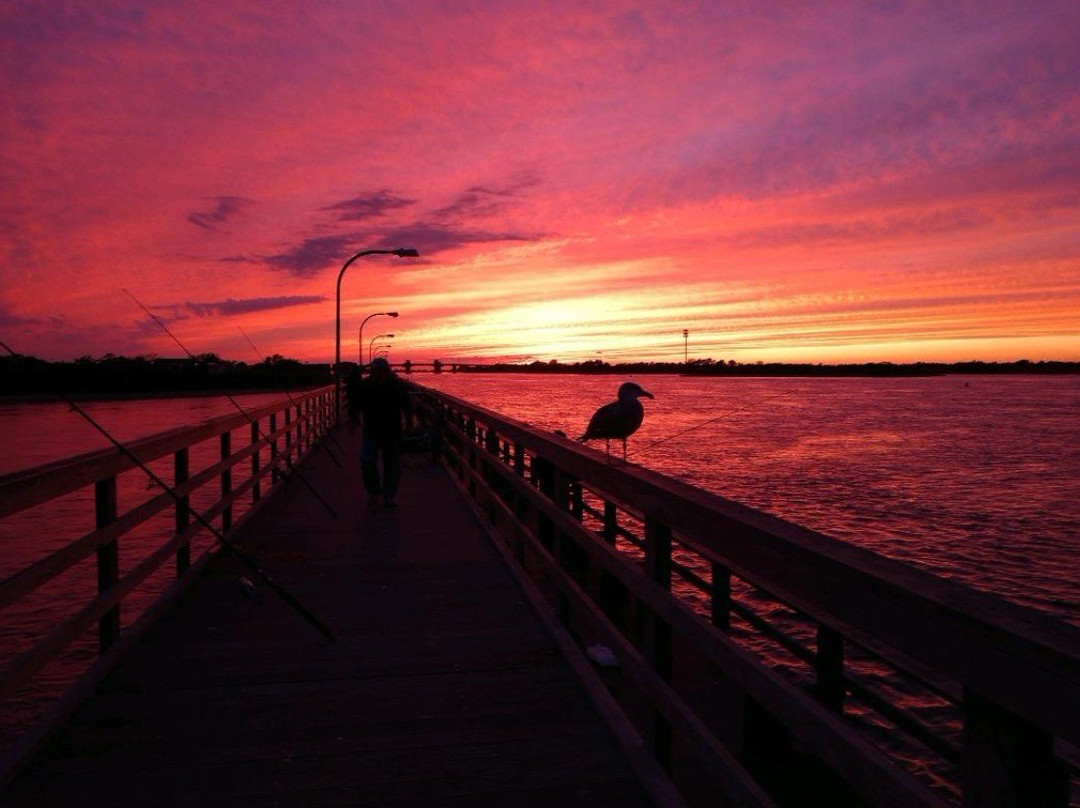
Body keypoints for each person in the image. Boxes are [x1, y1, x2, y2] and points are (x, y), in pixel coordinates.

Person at [348, 357, 415, 507]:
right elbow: (355, 405)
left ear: (387, 371)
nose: (379, 373)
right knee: (367, 461)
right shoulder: (365, 386)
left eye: (382, 370)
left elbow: (407, 406)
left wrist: (410, 424)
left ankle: (389, 495)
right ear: (372, 371)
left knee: (392, 464)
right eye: (376, 371)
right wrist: (352, 421)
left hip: (392, 431)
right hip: (371, 430)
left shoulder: (397, 385)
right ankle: (374, 492)